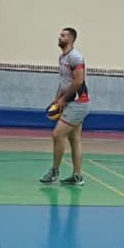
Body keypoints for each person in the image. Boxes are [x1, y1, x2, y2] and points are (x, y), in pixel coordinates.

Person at [40, 27, 90, 186]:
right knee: (74, 139)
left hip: (78, 103)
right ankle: (77, 176)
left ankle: (54, 171)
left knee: (57, 134)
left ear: (71, 39)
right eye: (60, 35)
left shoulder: (76, 57)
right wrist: (56, 100)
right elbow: (64, 82)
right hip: (69, 102)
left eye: (63, 35)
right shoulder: (62, 57)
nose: (59, 37)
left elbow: (78, 81)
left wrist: (63, 100)